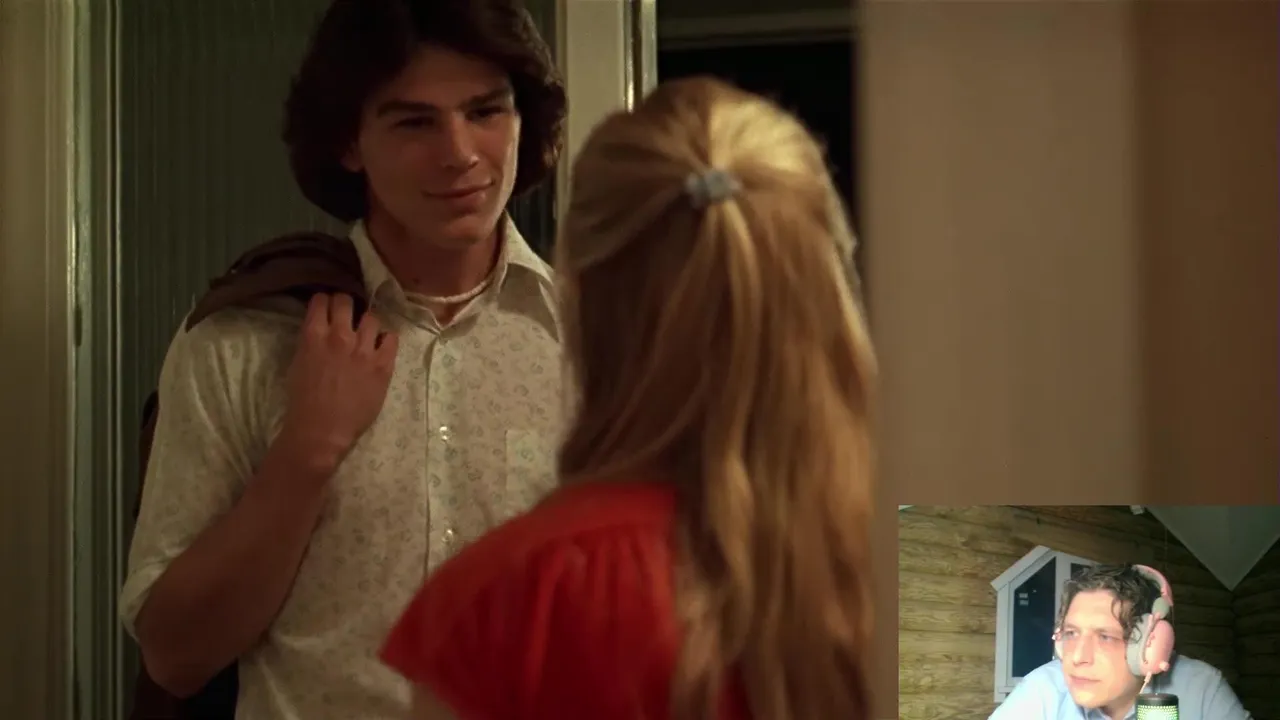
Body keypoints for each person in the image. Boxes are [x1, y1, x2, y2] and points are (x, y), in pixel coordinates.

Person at [117, 1, 566, 718]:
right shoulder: (244, 341)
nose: (459, 152)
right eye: (414, 123)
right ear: (349, 143)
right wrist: (307, 452)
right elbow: (175, 657)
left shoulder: (596, 343)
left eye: (485, 112)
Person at [379, 76, 877, 720]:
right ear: (828, 282)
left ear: (579, 296)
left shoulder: (507, 603)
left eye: (484, 111)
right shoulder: (917, 563)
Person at [989, 564, 1251, 720]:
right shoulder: (1042, 688)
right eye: (1071, 633)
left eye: (1105, 637)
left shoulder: (1202, 688)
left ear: (1148, 646)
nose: (1077, 657)